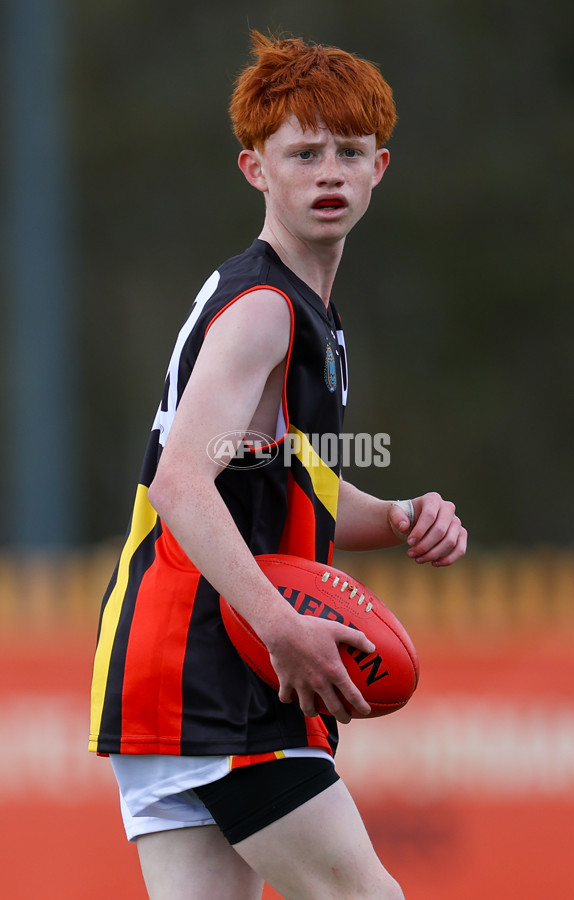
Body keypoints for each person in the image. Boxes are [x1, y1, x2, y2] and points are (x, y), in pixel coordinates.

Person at [89, 30, 467, 900]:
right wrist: (278, 625)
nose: (328, 172)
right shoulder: (266, 309)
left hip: (169, 673)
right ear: (255, 169)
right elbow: (182, 480)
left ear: (381, 167)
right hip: (214, 665)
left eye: (348, 152)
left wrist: (400, 515)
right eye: (303, 153)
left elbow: (271, 479)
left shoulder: (304, 311)